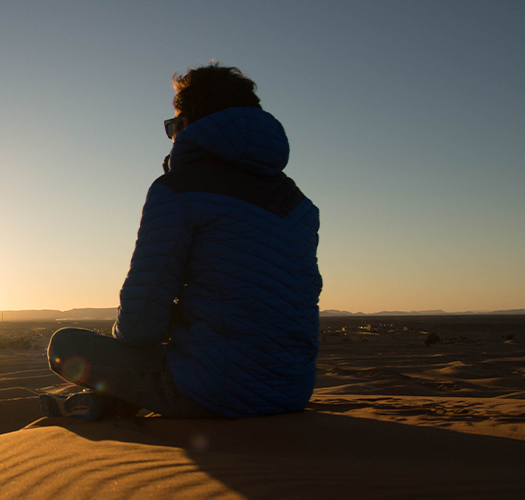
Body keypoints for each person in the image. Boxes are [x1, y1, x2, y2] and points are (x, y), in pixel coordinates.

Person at [42, 63, 322, 420]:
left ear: (189, 124)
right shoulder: (299, 202)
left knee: (65, 346)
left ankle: (102, 404)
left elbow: (139, 327)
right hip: (293, 391)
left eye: (173, 127)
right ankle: (107, 402)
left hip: (217, 393)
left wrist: (148, 334)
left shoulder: (178, 190)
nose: (173, 136)